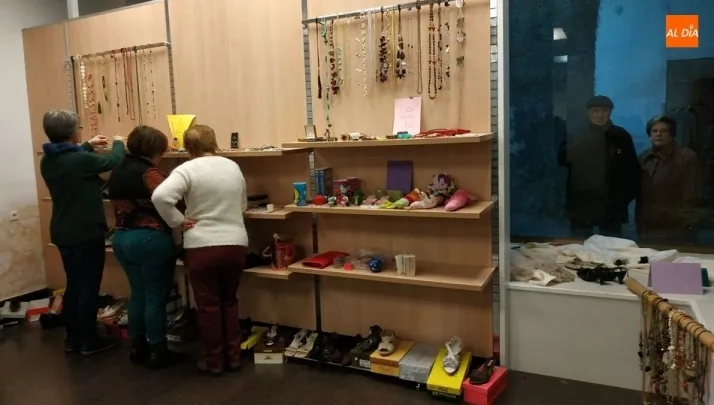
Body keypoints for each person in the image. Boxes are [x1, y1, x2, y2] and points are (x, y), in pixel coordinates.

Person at [152, 124, 248, 376]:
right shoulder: (232, 167)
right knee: (230, 301)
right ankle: (234, 358)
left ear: (188, 148)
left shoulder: (186, 169)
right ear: (213, 142)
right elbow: (242, 205)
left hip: (202, 246)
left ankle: (214, 362)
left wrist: (178, 220)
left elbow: (160, 197)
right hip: (235, 244)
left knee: (208, 306)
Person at [39, 109, 125, 355]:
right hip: (85, 231)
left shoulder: (49, 160)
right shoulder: (79, 161)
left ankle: (73, 337)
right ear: (72, 133)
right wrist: (118, 143)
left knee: (75, 284)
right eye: (79, 129)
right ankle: (88, 340)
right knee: (88, 286)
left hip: (62, 231)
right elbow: (113, 161)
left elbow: (73, 159)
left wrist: (88, 144)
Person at [105, 125, 184, 368]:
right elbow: (170, 199)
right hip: (149, 238)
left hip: (121, 238)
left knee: (138, 292)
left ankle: (137, 346)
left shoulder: (117, 170)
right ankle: (158, 350)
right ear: (155, 150)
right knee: (155, 296)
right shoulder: (150, 173)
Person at [558, 95, 640, 238]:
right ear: (588, 112)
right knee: (579, 245)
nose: (600, 115)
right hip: (582, 202)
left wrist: (624, 200)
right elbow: (562, 159)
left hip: (611, 204)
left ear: (610, 112)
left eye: (604, 110)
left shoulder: (620, 136)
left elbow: (632, 169)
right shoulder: (577, 134)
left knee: (611, 246)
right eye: (595, 111)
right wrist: (582, 142)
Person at [637, 115, 700, 245]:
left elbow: (691, 193)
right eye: (654, 131)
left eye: (664, 131)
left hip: (675, 226)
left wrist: (687, 223)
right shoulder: (645, 157)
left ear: (671, 134)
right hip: (648, 225)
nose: (658, 134)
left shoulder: (686, 157)